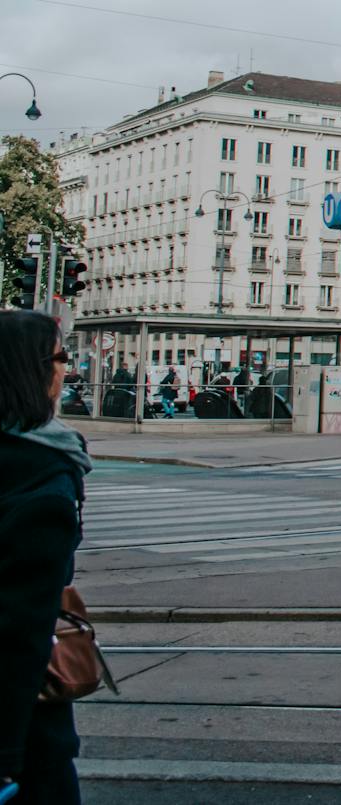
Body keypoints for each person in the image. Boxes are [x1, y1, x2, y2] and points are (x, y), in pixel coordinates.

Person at [1, 308, 91, 804]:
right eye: (61, 356)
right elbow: (19, 634)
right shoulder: (44, 481)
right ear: (35, 371)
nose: (68, 368)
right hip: (25, 739)